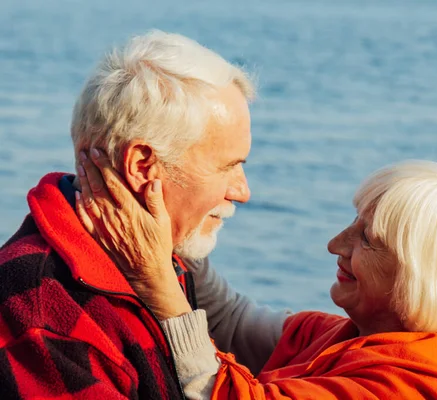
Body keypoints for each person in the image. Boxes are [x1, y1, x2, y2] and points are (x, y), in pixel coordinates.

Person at [76, 153, 437, 400]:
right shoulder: (341, 338)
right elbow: (229, 320)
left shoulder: (424, 387)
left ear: (425, 277)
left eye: (366, 239)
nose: (335, 243)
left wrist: (156, 280)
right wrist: (175, 225)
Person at [0, 30, 255, 399]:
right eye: (228, 167)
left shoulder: (156, 258)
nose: (242, 192)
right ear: (142, 165)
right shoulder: (41, 316)